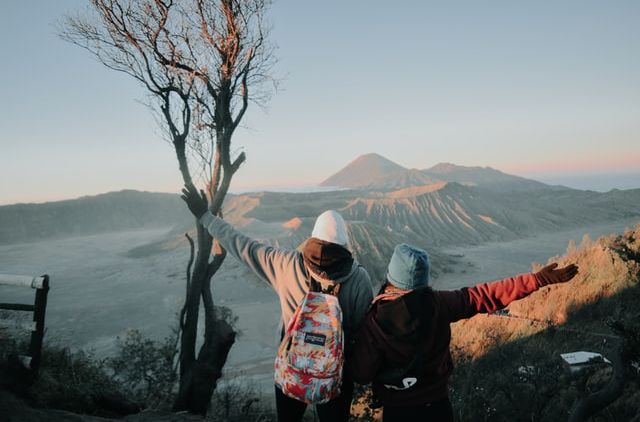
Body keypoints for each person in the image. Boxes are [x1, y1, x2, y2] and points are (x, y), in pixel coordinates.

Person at [181, 184, 374, 422]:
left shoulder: (285, 264)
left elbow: (242, 245)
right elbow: (363, 331)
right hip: (335, 374)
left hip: (292, 367)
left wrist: (205, 216)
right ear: (344, 243)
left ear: (313, 236)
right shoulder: (358, 278)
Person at [349, 243, 579, 422]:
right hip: (438, 406)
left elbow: (362, 373)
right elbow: (485, 295)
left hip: (398, 410)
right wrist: (536, 279)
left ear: (391, 277)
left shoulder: (375, 320)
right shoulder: (439, 303)